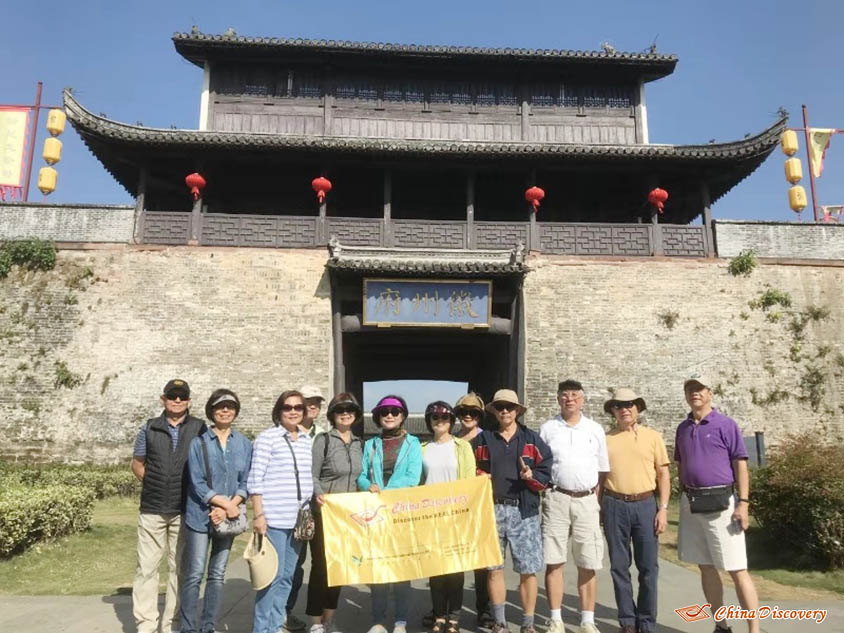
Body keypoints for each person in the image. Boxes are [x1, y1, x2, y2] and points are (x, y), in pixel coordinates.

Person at [675, 376, 759, 633]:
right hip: (692, 502)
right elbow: (680, 462)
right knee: (706, 567)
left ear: (710, 393)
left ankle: (754, 630)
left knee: (737, 569)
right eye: (690, 389)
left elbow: (740, 465)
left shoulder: (726, 425)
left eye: (699, 389)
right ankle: (721, 625)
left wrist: (743, 503)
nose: (694, 393)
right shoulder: (683, 428)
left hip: (722, 504)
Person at [472, 389, 553, 633]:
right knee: (494, 570)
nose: (504, 411)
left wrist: (531, 477)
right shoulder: (483, 439)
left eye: (509, 406)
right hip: (491, 511)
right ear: (494, 411)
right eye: (500, 407)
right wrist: (479, 477)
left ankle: (528, 623)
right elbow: (469, 469)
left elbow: (546, 474)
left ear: (517, 410)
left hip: (523, 511)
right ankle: (500, 622)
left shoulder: (532, 440)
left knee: (528, 570)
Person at [131, 379, 206, 633]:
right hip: (152, 508)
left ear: (188, 401)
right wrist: (154, 482)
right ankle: (146, 625)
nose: (177, 401)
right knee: (147, 569)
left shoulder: (199, 428)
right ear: (163, 399)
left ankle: (171, 624)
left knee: (179, 571)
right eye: (172, 396)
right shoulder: (149, 428)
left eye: (182, 397)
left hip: (184, 509)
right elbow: (138, 463)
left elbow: (205, 465)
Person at [180, 389, 252, 633]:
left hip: (228, 517)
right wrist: (224, 504)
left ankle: (208, 625)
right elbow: (196, 482)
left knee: (218, 574)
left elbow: (247, 481)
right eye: (220, 406)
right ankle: (188, 627)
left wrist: (232, 505)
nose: (225, 410)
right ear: (212, 411)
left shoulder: (243, 444)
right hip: (201, 516)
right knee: (194, 573)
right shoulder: (198, 443)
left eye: (230, 406)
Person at [539, 379, 608, 633]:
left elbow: (602, 471)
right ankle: (556, 618)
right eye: (564, 395)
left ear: (582, 399)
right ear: (558, 400)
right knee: (554, 560)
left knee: (588, 562)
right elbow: (541, 466)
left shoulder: (595, 429)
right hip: (556, 498)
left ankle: (587, 620)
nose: (570, 399)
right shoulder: (547, 429)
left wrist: (594, 500)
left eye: (575, 395)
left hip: (587, 500)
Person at [601, 389, 670, 633]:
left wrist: (662, 509)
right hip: (614, 504)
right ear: (613, 411)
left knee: (648, 568)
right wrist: (599, 509)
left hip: (645, 505)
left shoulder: (653, 437)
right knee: (619, 567)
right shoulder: (606, 438)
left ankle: (647, 622)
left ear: (637, 408)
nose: (624, 409)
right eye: (619, 406)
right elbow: (600, 477)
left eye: (629, 405)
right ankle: (628, 622)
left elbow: (663, 474)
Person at [248, 391, 314, 633]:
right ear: (279, 411)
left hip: (298, 520)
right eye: (288, 407)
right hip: (274, 518)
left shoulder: (307, 440)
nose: (293, 411)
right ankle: (261, 628)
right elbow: (256, 479)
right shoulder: (268, 438)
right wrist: (258, 515)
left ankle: (276, 625)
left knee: (288, 577)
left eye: (298, 407)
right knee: (270, 579)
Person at [357, 395, 423, 633]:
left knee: (401, 568)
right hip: (375, 512)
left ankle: (401, 621)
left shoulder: (413, 443)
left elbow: (413, 477)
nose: (390, 415)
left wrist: (385, 491)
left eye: (395, 412)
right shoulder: (371, 444)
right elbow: (362, 475)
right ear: (378, 416)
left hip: (400, 510)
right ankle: (378, 620)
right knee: (378, 567)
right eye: (385, 411)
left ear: (403, 415)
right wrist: (368, 486)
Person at [306, 393, 365, 633]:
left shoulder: (360, 443)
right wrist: (318, 494)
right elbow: (312, 474)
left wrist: (368, 487)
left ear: (356, 414)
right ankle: (315, 622)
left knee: (339, 566)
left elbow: (360, 476)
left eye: (349, 409)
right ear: (332, 414)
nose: (345, 413)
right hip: (325, 512)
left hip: (348, 515)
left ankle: (330, 618)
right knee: (321, 567)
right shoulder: (324, 441)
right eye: (340, 409)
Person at [421, 400, 477, 633]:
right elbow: (417, 482)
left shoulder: (462, 447)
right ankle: (439, 615)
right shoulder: (422, 448)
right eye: (435, 418)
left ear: (451, 422)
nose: (440, 421)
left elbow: (469, 481)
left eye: (444, 418)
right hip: (430, 516)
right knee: (435, 569)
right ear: (429, 422)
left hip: (455, 515)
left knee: (455, 569)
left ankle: (454, 617)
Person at [286, 385, 328, 632]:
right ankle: (285, 612)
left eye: (316, 402)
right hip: (297, 508)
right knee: (293, 563)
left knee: (321, 563)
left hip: (320, 509)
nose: (312, 406)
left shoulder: (323, 434)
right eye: (308, 401)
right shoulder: (287, 432)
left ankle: (317, 617)